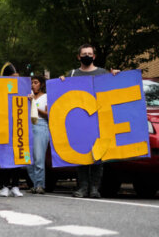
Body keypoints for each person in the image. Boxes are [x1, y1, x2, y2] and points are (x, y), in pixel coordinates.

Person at [61, 44, 119, 198]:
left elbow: (113, 90)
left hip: (99, 120)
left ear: (94, 56)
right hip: (79, 121)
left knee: (98, 156)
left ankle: (94, 188)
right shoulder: (72, 74)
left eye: (89, 53)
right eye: (84, 53)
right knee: (81, 155)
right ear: (78, 57)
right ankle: (82, 187)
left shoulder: (103, 73)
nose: (87, 55)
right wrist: (61, 82)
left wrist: (117, 77)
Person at [0, 62, 24, 197]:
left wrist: (29, 98)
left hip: (19, 126)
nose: (15, 80)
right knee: (4, 156)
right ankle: (4, 186)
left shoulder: (24, 88)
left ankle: (15, 185)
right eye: (12, 77)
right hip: (3, 126)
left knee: (17, 156)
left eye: (17, 77)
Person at [27, 75, 49, 194]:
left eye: (35, 82)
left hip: (40, 125)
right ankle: (35, 184)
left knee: (39, 157)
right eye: (31, 83)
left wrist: (33, 104)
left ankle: (40, 184)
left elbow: (47, 114)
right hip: (28, 125)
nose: (33, 85)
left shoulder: (45, 97)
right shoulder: (28, 97)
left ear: (41, 84)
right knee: (28, 159)